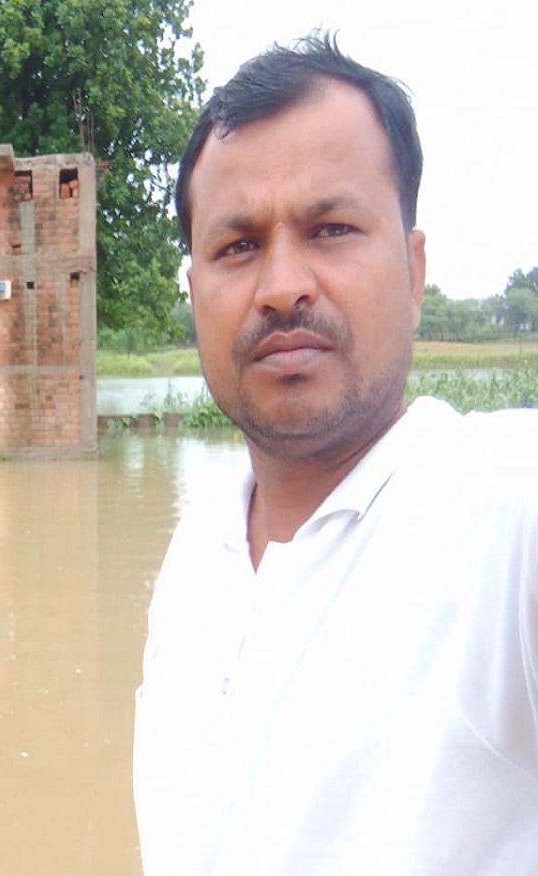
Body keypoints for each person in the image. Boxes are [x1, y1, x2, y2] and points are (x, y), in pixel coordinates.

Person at [132, 33, 538, 876]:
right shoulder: (193, 557)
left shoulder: (500, 514)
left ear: (416, 272)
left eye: (332, 228)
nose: (282, 284)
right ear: (195, 288)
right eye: (237, 246)